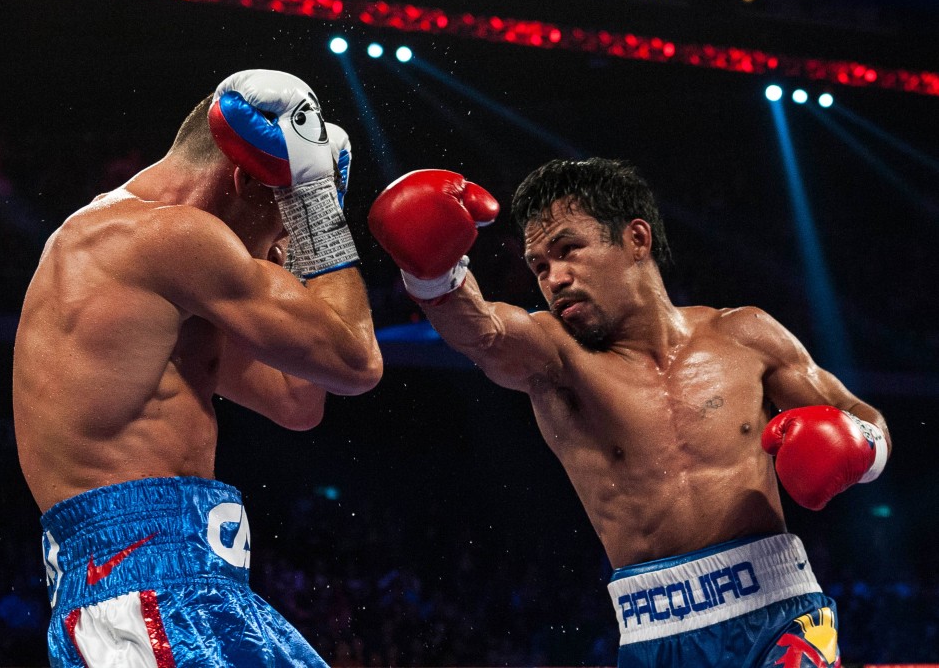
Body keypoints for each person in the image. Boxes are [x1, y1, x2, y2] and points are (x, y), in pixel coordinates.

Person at [367, 161, 890, 667]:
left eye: (568, 249)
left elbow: (856, 413)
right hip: (654, 632)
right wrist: (433, 275)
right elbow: (483, 331)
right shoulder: (556, 355)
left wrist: (858, 445)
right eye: (540, 266)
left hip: (781, 616)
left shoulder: (746, 334)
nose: (555, 278)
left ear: (636, 239)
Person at [12, 69, 382, 666]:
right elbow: (357, 360)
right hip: (152, 598)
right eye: (280, 220)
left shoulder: (147, 269)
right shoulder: (168, 239)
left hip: (177, 592)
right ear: (242, 177)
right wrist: (313, 202)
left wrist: (292, 223)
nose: (280, 248)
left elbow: (299, 400)